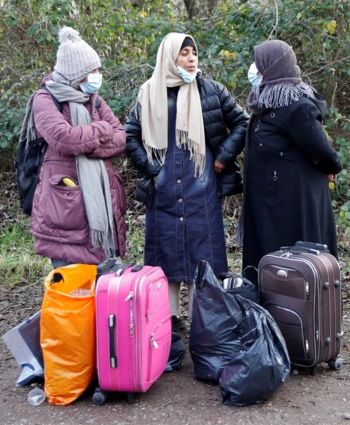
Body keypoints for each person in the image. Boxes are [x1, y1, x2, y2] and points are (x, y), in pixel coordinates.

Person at [125, 33, 249, 331]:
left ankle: (200, 316)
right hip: (164, 188)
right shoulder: (149, 92)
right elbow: (130, 135)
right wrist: (152, 169)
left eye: (194, 52)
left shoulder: (211, 90)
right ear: (170, 57)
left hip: (201, 187)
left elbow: (243, 122)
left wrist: (221, 158)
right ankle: (168, 318)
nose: (192, 58)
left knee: (201, 252)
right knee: (165, 251)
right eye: (184, 53)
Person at [241, 40, 343, 282]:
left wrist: (332, 167)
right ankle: (270, 307)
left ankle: (298, 309)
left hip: (293, 200)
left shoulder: (295, 105)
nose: (254, 69)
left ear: (273, 66)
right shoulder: (265, 102)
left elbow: (319, 146)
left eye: (258, 63)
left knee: (294, 260)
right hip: (271, 197)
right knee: (271, 256)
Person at [27, 27, 127, 269]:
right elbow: (64, 138)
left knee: (101, 288)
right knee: (72, 289)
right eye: (92, 70)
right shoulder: (45, 99)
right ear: (76, 73)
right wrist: (102, 130)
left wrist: (88, 146)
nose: (97, 75)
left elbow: (122, 137)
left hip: (101, 200)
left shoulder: (94, 99)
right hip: (65, 203)